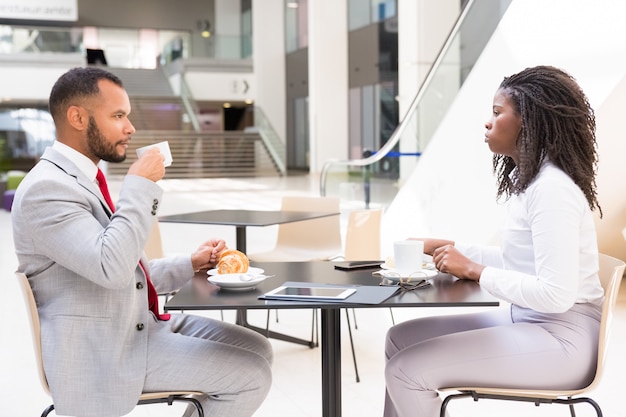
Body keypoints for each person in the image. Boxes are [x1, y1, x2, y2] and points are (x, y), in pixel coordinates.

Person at [12, 67, 273, 417]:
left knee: (257, 347)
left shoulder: (82, 178)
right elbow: (110, 268)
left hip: (137, 324)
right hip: (105, 353)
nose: (130, 128)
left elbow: (127, 268)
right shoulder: (46, 189)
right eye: (118, 116)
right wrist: (138, 188)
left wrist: (190, 263)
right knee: (252, 374)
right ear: (77, 117)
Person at [383, 65, 604, 417]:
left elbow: (556, 294)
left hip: (564, 341)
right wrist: (449, 248)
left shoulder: (552, 190)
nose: (488, 122)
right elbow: (520, 262)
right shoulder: (530, 181)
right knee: (400, 339)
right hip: (532, 322)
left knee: (406, 371)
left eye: (497, 113)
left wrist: (473, 269)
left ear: (529, 121)